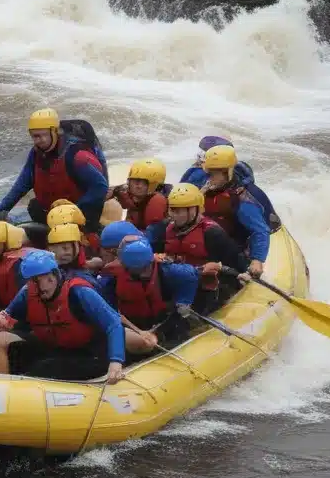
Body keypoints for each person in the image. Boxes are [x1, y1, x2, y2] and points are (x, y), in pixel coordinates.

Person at [0, 250, 126, 384]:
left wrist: (116, 362)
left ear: (55, 274)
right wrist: (0, 317)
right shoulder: (28, 291)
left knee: (44, 369)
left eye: (47, 278)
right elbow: (7, 315)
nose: (43, 285)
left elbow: (113, 323)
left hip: (87, 353)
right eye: (35, 280)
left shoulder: (79, 292)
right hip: (52, 347)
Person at [0, 109, 109, 229]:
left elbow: (100, 187)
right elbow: (21, 186)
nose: (38, 141)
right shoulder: (35, 154)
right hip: (53, 214)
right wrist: (0, 211)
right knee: (34, 206)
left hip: (80, 214)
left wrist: (73, 211)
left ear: (55, 132)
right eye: (34, 136)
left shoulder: (78, 156)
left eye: (42, 135)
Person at [148, 183, 249, 312]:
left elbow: (239, 266)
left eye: (178, 210)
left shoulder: (212, 233)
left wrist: (225, 270)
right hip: (177, 283)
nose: (173, 215)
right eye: (172, 209)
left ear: (194, 210)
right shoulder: (165, 228)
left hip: (206, 288)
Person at [99, 238, 199, 355]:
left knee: (182, 323)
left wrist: (184, 302)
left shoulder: (170, 271)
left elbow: (190, 275)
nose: (142, 273)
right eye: (136, 269)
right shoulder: (112, 278)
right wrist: (138, 331)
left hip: (165, 319)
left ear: (152, 261)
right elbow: (109, 310)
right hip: (133, 323)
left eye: (145, 267)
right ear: (125, 266)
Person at [200, 143, 279, 277]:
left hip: (237, 249)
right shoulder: (210, 188)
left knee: (213, 234)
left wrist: (257, 260)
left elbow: (260, 231)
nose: (209, 177)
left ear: (227, 173)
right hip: (214, 243)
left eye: (214, 174)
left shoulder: (243, 199)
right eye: (209, 173)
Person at [113, 158, 170, 236]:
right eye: (134, 181)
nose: (137, 186)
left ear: (154, 184)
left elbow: (153, 236)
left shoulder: (157, 201)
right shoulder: (135, 196)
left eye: (141, 182)